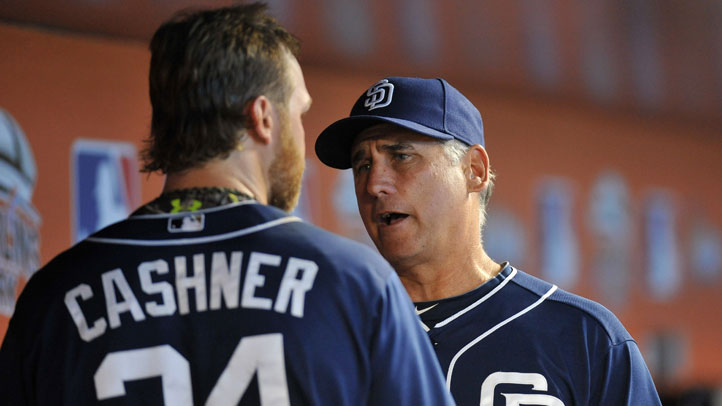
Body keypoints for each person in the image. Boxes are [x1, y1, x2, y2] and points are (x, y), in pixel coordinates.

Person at [0, 8, 455, 406]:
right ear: (263, 117)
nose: (299, 134)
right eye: (298, 113)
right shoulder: (354, 284)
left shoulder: (53, 296)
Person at [315, 76, 662, 405]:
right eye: (362, 165)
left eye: (401, 156)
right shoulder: (324, 333)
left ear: (475, 170)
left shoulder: (584, 338)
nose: (374, 184)